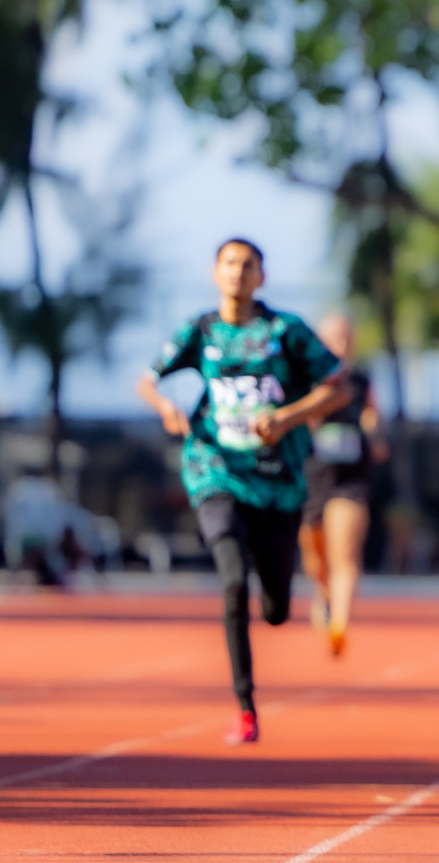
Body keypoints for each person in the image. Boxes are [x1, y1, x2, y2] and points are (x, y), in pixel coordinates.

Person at [137, 238, 348, 745]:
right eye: (230, 263)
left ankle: (277, 593)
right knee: (233, 580)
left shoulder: (284, 332)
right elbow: (148, 380)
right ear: (216, 272)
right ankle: (246, 706)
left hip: (278, 481)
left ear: (261, 277)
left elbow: (338, 386)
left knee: (273, 609)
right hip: (215, 470)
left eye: (248, 265)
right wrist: (165, 407)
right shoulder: (200, 331)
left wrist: (287, 417)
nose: (238, 272)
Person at [299, 312, 383, 657]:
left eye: (346, 336)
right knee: (314, 555)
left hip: (351, 479)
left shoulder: (361, 381)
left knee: (344, 554)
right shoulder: (306, 379)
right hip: (312, 478)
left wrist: (374, 430)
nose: (341, 342)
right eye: (334, 336)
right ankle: (324, 596)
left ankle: (340, 626)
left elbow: (372, 414)